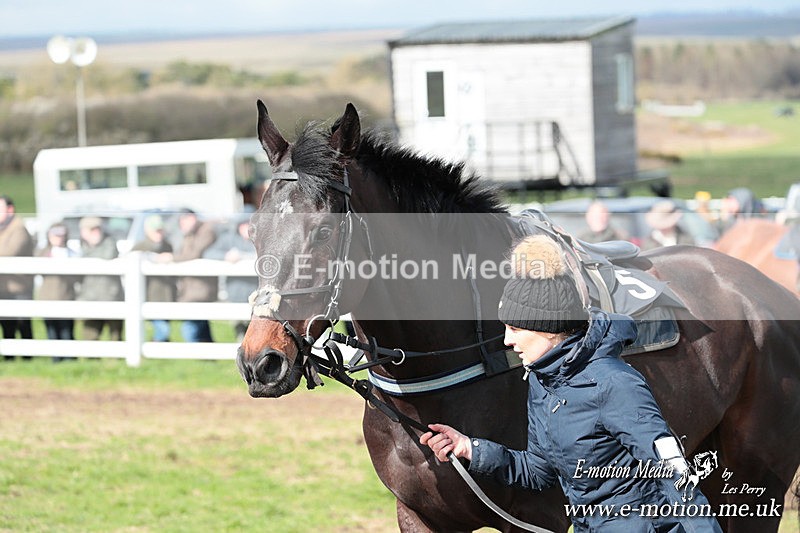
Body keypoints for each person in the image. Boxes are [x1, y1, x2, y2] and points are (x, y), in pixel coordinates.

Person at [420, 235, 722, 533]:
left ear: (547, 329)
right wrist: (470, 448)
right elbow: (537, 470)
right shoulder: (543, 380)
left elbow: (673, 472)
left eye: (514, 329)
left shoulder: (615, 384)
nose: (507, 341)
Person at [203, 214, 256, 341]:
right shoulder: (228, 239)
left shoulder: (263, 241)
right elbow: (208, 253)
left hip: (256, 292)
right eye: (244, 224)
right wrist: (226, 256)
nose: (247, 228)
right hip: (235, 292)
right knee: (239, 328)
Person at [169, 209, 218, 343]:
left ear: (191, 218)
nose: (181, 225)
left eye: (182, 221)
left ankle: (199, 354)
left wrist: (170, 258)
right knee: (200, 325)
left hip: (200, 287)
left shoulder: (206, 231)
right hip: (191, 288)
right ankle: (207, 357)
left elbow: (193, 254)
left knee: (191, 326)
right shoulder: (191, 234)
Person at [35, 222, 79, 362]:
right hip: (48, 297)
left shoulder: (71, 253)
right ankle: (56, 358)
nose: (58, 238)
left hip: (66, 296)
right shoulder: (43, 252)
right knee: (52, 330)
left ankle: (69, 358)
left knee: (66, 330)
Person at [76, 216, 124, 341]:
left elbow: (106, 257)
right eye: (91, 230)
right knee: (90, 337)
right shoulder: (81, 246)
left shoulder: (110, 242)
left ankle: (116, 359)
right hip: (89, 297)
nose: (96, 233)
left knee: (115, 336)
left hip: (111, 296)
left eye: (97, 229)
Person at [131, 215, 176, 342]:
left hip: (167, 293)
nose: (159, 233)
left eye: (160, 230)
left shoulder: (168, 246)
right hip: (150, 294)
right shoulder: (140, 247)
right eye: (156, 230)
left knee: (163, 325)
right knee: (162, 328)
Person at [0, 195, 34, 360]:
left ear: (10, 209)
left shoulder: (18, 228)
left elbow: (11, 252)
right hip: (4, 285)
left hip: (20, 286)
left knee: (23, 322)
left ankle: (28, 356)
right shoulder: (3, 228)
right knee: (6, 323)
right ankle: (9, 356)